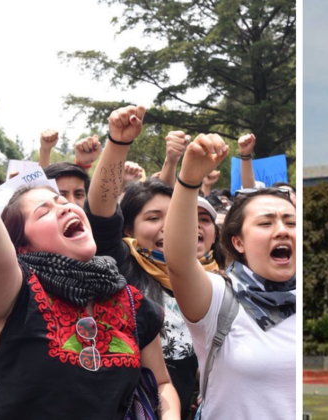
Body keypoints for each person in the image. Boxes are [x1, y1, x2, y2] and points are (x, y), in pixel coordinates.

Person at [0, 109, 179, 419]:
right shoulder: (15, 291)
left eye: (66, 203)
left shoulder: (133, 303)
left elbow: (161, 383)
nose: (65, 208)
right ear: (21, 245)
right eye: (44, 211)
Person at [86, 126, 226, 419]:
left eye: (174, 216)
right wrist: (118, 142)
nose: (167, 226)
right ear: (128, 229)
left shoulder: (208, 280)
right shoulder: (121, 265)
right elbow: (100, 211)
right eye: (153, 218)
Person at [163, 133, 296, 419]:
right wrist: (188, 181)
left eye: (291, 221)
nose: (283, 230)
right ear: (238, 242)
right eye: (265, 222)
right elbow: (179, 263)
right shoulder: (220, 298)